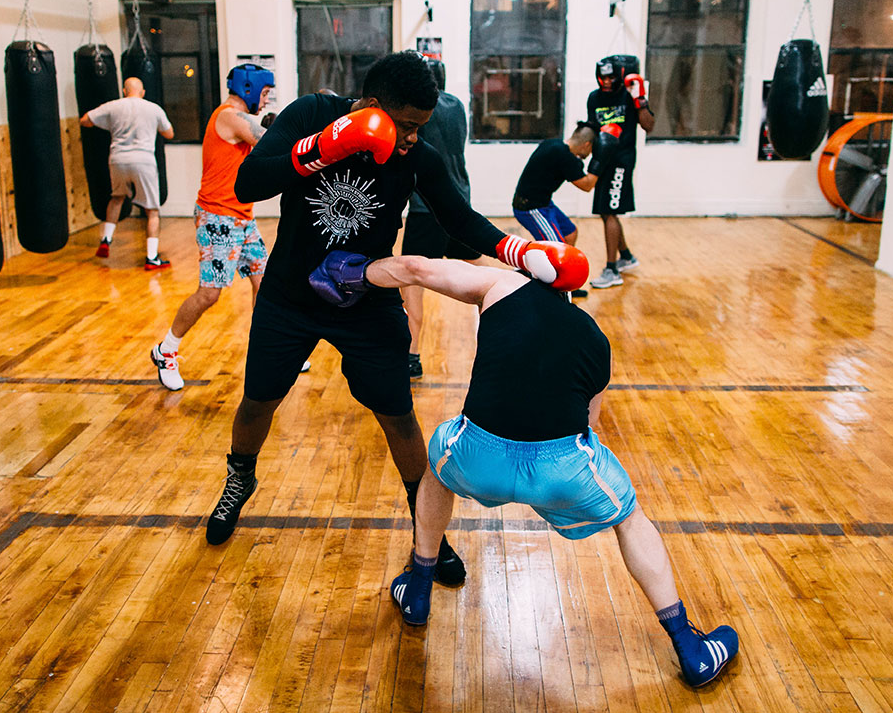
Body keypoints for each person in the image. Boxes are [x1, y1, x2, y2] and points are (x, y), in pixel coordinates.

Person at [205, 51, 571, 591]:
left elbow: (457, 215)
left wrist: (517, 250)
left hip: (367, 302)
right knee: (258, 400)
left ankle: (429, 533)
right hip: (288, 297)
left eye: (420, 129)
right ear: (373, 106)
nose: (411, 140)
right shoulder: (310, 115)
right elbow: (249, 184)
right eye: (406, 126)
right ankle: (240, 478)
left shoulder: (415, 153)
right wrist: (325, 147)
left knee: (398, 415)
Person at [310, 248, 740, 689]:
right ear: (571, 291)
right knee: (630, 519)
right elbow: (590, 423)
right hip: (562, 471)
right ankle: (689, 646)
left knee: (436, 471)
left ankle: (418, 591)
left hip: (476, 458)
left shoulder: (500, 285)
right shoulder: (595, 338)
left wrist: (352, 273)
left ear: (529, 269)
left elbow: (415, 268)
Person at [150, 64, 312, 389]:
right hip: (217, 218)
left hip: (242, 217)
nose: (266, 101)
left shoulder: (241, 118)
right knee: (210, 294)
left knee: (264, 283)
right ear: (249, 90)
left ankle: (267, 351)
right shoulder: (228, 116)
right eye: (264, 94)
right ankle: (165, 350)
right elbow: (271, 143)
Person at [400, 57, 478, 379]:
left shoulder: (420, 109)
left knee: (410, 282)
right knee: (482, 278)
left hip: (425, 208)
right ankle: (506, 337)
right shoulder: (457, 105)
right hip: (459, 202)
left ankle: (412, 356)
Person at [81, 76, 175, 268]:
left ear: (124, 91)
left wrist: (108, 125)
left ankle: (106, 239)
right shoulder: (153, 108)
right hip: (144, 160)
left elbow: (85, 120)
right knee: (152, 211)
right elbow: (169, 133)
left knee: (116, 198)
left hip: (118, 159)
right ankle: (151, 257)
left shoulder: (113, 106)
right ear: (143, 92)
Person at [587, 57, 654, 288]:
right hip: (602, 159)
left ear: (620, 75)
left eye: (611, 77)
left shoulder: (628, 95)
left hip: (621, 161)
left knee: (609, 211)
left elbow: (649, 125)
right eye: (602, 76)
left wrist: (640, 100)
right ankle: (626, 256)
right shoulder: (594, 98)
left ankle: (611, 269)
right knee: (606, 212)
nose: (606, 81)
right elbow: (593, 128)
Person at [512, 122, 598, 245]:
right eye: (592, 150)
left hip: (544, 203)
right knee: (556, 249)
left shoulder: (554, 144)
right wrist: (600, 160)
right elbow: (587, 186)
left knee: (570, 234)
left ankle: (564, 264)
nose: (590, 154)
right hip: (530, 209)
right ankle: (548, 263)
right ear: (586, 145)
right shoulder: (565, 157)